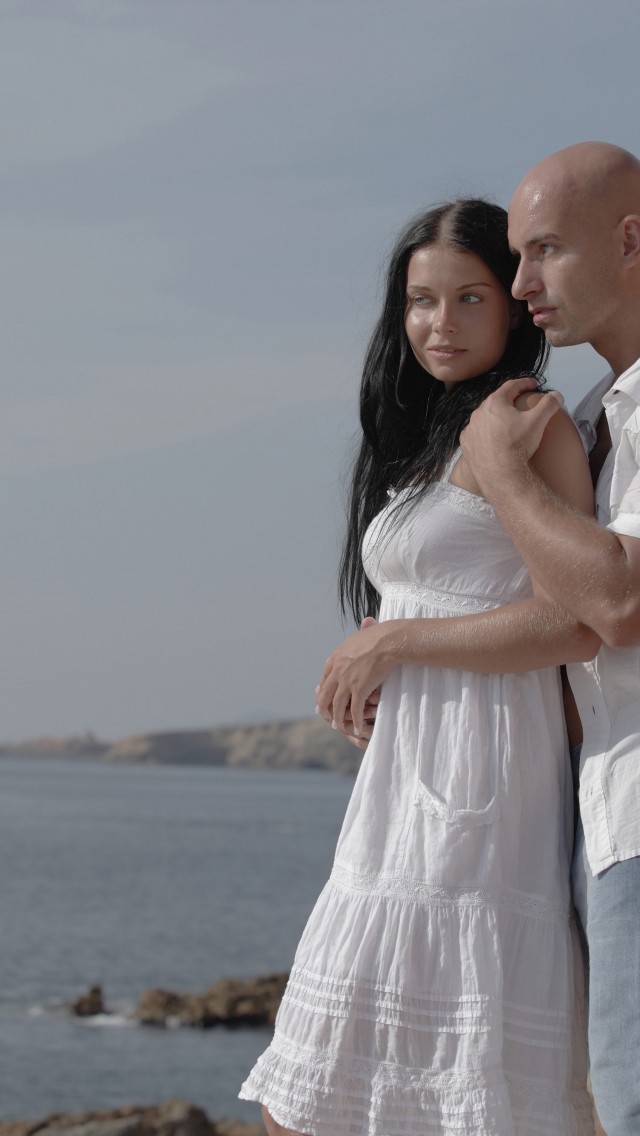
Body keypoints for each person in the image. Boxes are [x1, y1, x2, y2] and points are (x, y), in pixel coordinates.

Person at [240, 199, 597, 1135]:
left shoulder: (529, 424)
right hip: (404, 778)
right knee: (316, 1102)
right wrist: (381, 662)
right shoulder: (428, 435)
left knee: (396, 1097)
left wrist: (394, 645)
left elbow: (574, 621)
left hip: (483, 778)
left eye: (470, 297)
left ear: (513, 304)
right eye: (421, 300)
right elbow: (437, 600)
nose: (441, 324)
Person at [458, 141, 640, 1136]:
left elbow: (616, 600)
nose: (521, 283)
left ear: (630, 243)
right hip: (598, 818)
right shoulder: (601, 415)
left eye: (545, 250)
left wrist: (502, 474)